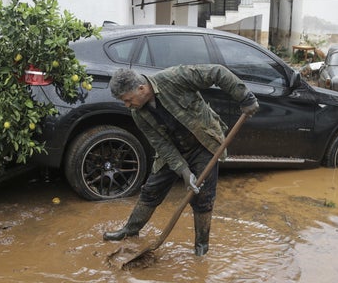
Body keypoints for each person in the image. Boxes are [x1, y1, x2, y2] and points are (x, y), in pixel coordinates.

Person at [103, 64, 259, 256]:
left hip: (203, 143)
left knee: (203, 197)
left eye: (128, 99)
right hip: (173, 150)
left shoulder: (174, 78)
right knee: (151, 189)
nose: (127, 105)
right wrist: (184, 172)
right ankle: (130, 230)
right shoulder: (138, 113)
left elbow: (216, 72)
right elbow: (161, 145)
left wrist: (245, 97)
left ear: (141, 89)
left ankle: (201, 246)